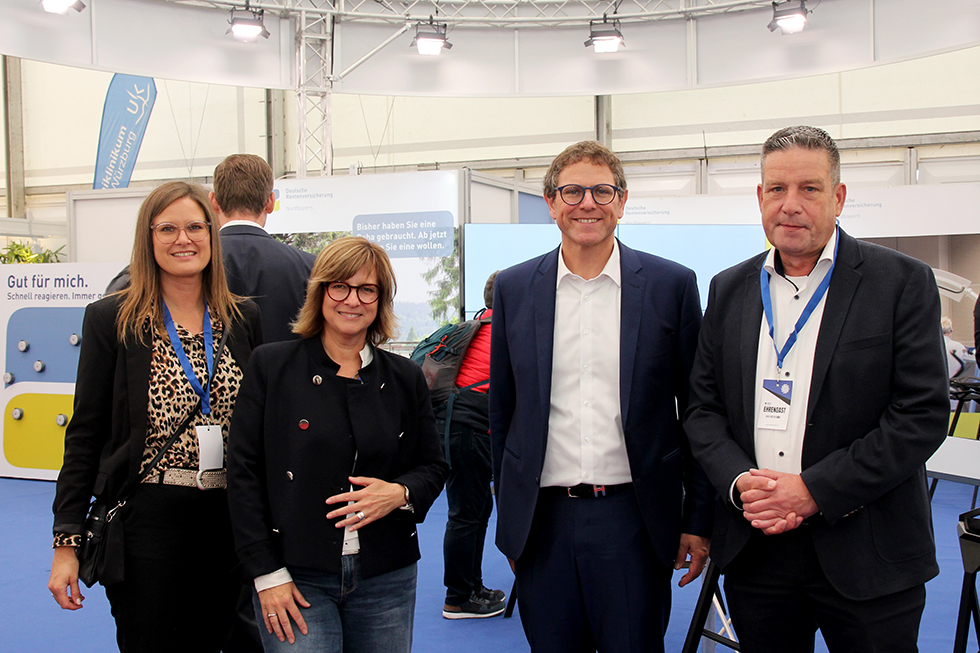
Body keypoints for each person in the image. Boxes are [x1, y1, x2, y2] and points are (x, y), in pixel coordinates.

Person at [684, 125, 949, 652]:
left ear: (838, 197)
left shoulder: (900, 282)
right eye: (777, 189)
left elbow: (920, 416)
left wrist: (813, 491)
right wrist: (740, 483)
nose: (791, 205)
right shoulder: (729, 288)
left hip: (867, 548)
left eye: (809, 188)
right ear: (760, 198)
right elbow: (702, 410)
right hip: (757, 549)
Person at [489, 141, 713, 653]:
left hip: (635, 519)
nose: (587, 203)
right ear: (550, 202)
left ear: (622, 199)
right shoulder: (516, 288)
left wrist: (697, 520)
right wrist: (512, 523)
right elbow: (504, 412)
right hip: (542, 522)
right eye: (572, 191)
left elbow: (698, 410)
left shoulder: (669, 285)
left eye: (602, 191)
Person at [48, 181, 264, 652]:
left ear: (213, 233)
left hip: (230, 521)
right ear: (148, 240)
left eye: (194, 227)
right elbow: (85, 434)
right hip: (149, 521)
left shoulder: (243, 319)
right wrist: (66, 541)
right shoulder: (113, 320)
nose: (182, 239)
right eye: (167, 228)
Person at [227, 236, 449, 652]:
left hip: (387, 575)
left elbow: (433, 467)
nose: (353, 300)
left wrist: (399, 493)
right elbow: (244, 475)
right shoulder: (271, 367)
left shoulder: (404, 377)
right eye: (340, 286)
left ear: (381, 300)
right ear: (320, 292)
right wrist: (266, 573)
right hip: (294, 574)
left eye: (367, 289)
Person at [439, 271, 507, 619]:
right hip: (471, 431)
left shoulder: (477, 326)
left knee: (477, 512)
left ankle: (472, 587)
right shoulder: (506, 334)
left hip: (459, 429)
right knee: (467, 514)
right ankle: (458, 597)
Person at [212, 153, 316, 343]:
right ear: (270, 202)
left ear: (213, 202)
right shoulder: (310, 266)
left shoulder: (192, 265)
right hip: (285, 372)